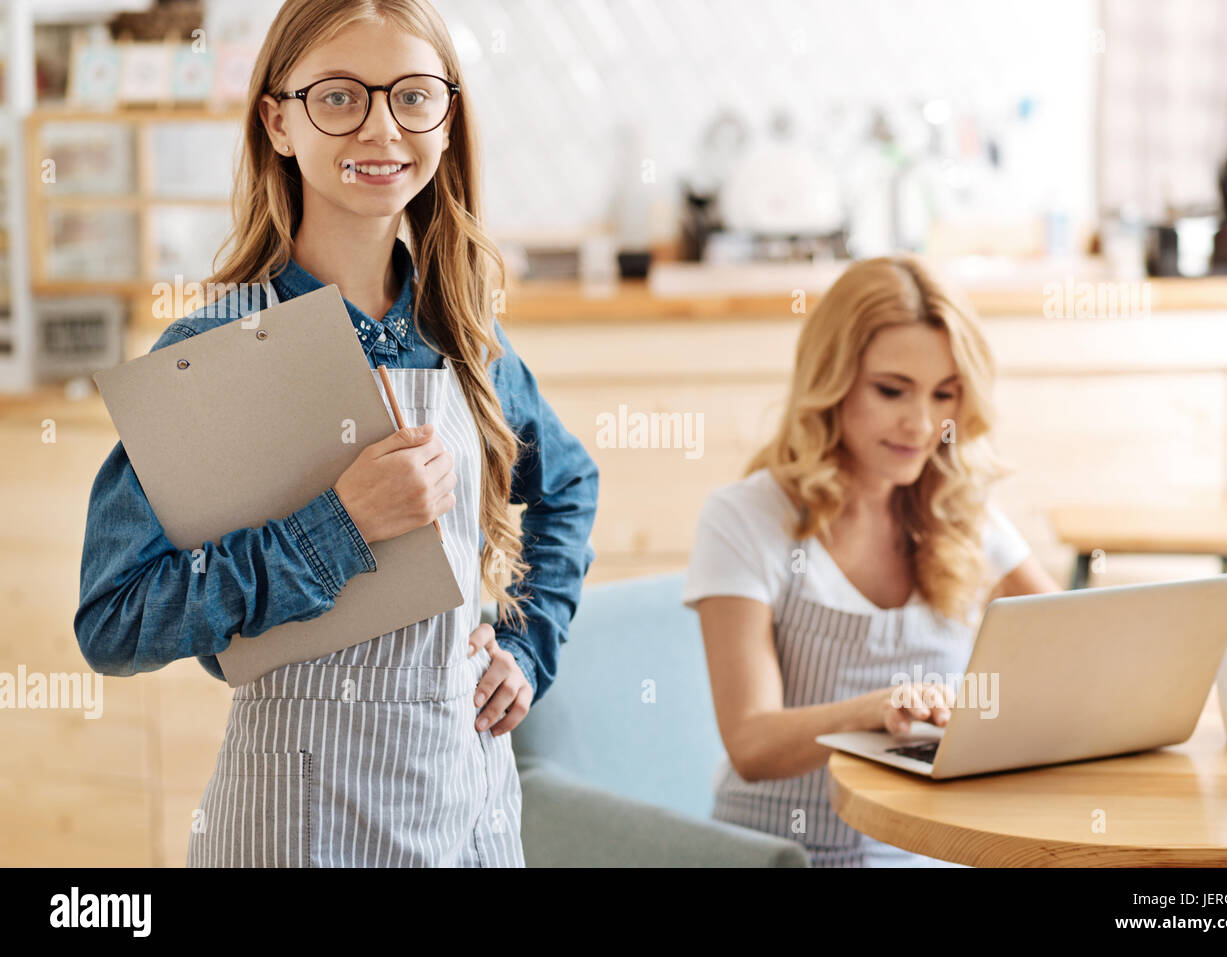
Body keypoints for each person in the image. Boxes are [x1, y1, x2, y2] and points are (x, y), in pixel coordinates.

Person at [74, 0, 598, 867]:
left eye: (413, 96)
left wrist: (527, 641)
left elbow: (566, 485)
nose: (383, 128)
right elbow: (116, 618)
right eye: (341, 97)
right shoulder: (214, 350)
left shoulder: (466, 334)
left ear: (447, 114)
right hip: (298, 822)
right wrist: (340, 526)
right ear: (279, 121)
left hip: (468, 807)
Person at [682, 255, 1058, 867]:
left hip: (931, 850)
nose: (921, 423)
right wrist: (878, 709)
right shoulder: (745, 518)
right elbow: (751, 741)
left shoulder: (962, 511)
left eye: (945, 394)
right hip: (785, 852)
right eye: (892, 390)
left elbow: (1073, 639)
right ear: (831, 383)